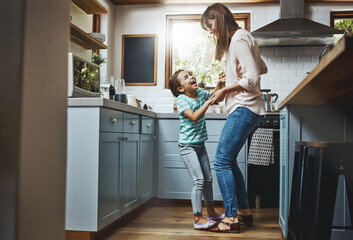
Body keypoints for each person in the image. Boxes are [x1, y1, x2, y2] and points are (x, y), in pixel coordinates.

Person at [200, 3, 268, 233]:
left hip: (244, 107)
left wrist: (224, 90)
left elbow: (254, 77)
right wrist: (232, 74)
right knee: (228, 161)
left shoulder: (238, 39)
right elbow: (262, 67)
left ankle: (231, 218)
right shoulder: (242, 38)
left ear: (219, 19)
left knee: (220, 161)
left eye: (209, 26)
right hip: (249, 108)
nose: (210, 32)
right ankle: (244, 213)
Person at [169, 69, 224, 230]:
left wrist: (218, 85)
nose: (191, 77)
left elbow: (212, 95)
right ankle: (197, 218)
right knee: (199, 180)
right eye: (186, 77)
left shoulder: (199, 92)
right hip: (187, 147)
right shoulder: (182, 100)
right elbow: (194, 117)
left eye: (190, 75)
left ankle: (211, 212)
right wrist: (208, 103)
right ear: (180, 88)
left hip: (200, 145)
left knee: (208, 179)